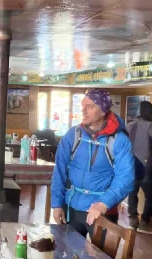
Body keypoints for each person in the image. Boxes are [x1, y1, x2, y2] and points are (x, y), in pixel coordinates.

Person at [51, 89, 136, 236]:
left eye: (90, 107)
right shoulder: (73, 135)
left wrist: (103, 204)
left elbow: (125, 178)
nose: (83, 111)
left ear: (103, 110)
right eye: (82, 106)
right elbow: (59, 170)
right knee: (70, 255)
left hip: (102, 212)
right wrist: (57, 203)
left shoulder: (119, 141)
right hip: (72, 207)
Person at [126, 101, 152, 234]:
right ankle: (144, 222)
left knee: (132, 192)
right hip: (144, 165)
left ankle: (133, 220)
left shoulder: (129, 125)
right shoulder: (149, 125)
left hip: (129, 164)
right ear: (149, 113)